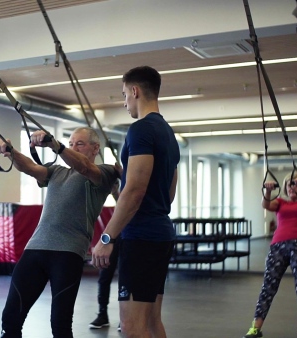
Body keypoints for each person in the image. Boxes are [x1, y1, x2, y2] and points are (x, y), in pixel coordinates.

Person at [0, 127, 120, 338]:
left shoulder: (106, 173)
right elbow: (31, 168)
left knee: (59, 324)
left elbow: (85, 168)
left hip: (68, 253)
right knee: (11, 317)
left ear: (95, 148)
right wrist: (10, 151)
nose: (74, 147)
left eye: (80, 143)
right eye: (71, 144)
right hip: (35, 248)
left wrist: (55, 145)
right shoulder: (57, 171)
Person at [91, 65, 179, 338]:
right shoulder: (168, 134)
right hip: (160, 233)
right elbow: (168, 192)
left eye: (124, 95)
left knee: (131, 327)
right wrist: (126, 183)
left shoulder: (140, 130)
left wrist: (107, 238)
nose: (125, 102)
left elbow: (136, 191)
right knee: (152, 322)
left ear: (135, 91)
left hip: (142, 238)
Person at [242, 173, 297, 338]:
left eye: (295, 184)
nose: (291, 187)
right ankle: (255, 327)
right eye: (289, 184)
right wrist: (268, 191)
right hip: (278, 246)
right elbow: (266, 204)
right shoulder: (281, 203)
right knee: (268, 287)